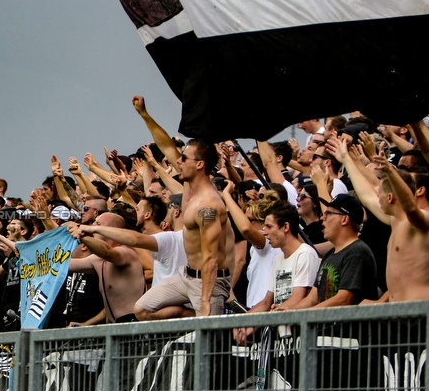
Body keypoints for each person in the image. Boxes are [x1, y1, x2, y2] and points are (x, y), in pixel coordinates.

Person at [328, 138, 429, 302]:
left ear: (418, 190)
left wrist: (390, 172)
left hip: (419, 311)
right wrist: (347, 159)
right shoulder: (397, 219)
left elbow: (411, 208)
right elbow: (368, 194)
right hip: (396, 311)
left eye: (406, 183)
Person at [134, 139, 232, 319]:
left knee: (209, 343)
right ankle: (191, 318)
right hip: (186, 275)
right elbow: (169, 150)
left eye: (184, 158)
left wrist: (205, 300)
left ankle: (201, 318)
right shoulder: (191, 190)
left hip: (209, 282)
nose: (178, 162)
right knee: (142, 309)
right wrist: (145, 115)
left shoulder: (208, 206)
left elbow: (211, 258)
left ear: (200, 164)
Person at [235, 200, 320, 342]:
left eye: (269, 226)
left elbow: (299, 298)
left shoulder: (305, 253)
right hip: (280, 338)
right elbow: (267, 301)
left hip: (300, 337)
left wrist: (265, 318)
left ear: (285, 226)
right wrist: (242, 323)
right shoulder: (279, 258)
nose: (264, 232)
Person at [297, 195, 380, 308]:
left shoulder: (357, 251)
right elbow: (312, 299)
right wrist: (288, 312)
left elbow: (344, 299)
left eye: (328, 213)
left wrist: (307, 314)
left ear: (344, 219)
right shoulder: (329, 255)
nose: (322, 218)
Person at [65, 212, 146, 323]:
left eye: (97, 223)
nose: (92, 226)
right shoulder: (96, 259)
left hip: (132, 325)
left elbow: (108, 252)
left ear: (110, 230)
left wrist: (83, 237)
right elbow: (64, 266)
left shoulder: (126, 253)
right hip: (113, 328)